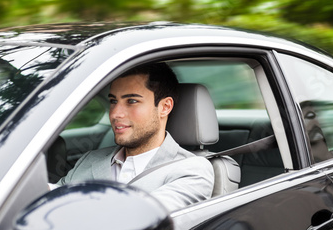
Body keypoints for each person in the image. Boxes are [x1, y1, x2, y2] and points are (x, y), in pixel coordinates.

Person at [53, 62, 214, 211]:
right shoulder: (89, 159)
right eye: (113, 101)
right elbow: (49, 201)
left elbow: (140, 219)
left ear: (165, 107)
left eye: (131, 101)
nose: (115, 114)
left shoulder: (192, 170)